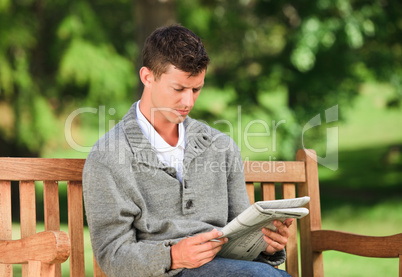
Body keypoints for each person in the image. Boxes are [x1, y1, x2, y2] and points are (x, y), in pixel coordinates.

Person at [83, 24, 293, 277]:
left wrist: (267, 246)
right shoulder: (109, 155)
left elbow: (242, 236)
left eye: (196, 89)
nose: (188, 102)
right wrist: (172, 256)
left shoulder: (221, 147)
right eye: (179, 89)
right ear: (147, 77)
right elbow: (112, 254)